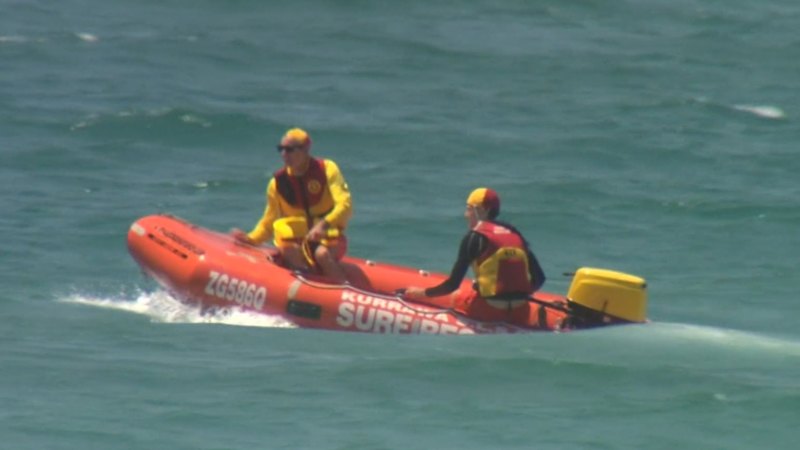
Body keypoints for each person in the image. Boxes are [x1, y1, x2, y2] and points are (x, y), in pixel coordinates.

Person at [403, 187, 545, 323]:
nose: (466, 215)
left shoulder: (474, 237)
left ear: (482, 210)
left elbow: (452, 285)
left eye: (469, 209)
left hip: (489, 310)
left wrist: (419, 293)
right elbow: (539, 278)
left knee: (459, 297)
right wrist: (514, 295)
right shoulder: (515, 234)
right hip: (521, 310)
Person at [232, 127, 352, 283]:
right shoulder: (277, 183)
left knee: (321, 254)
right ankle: (307, 287)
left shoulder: (327, 169)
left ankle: (344, 293)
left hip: (327, 237)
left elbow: (345, 205)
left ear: (305, 149)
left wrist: (323, 226)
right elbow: (269, 222)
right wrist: (251, 239)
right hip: (298, 241)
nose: (284, 154)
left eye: (289, 150)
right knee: (288, 248)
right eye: (280, 149)